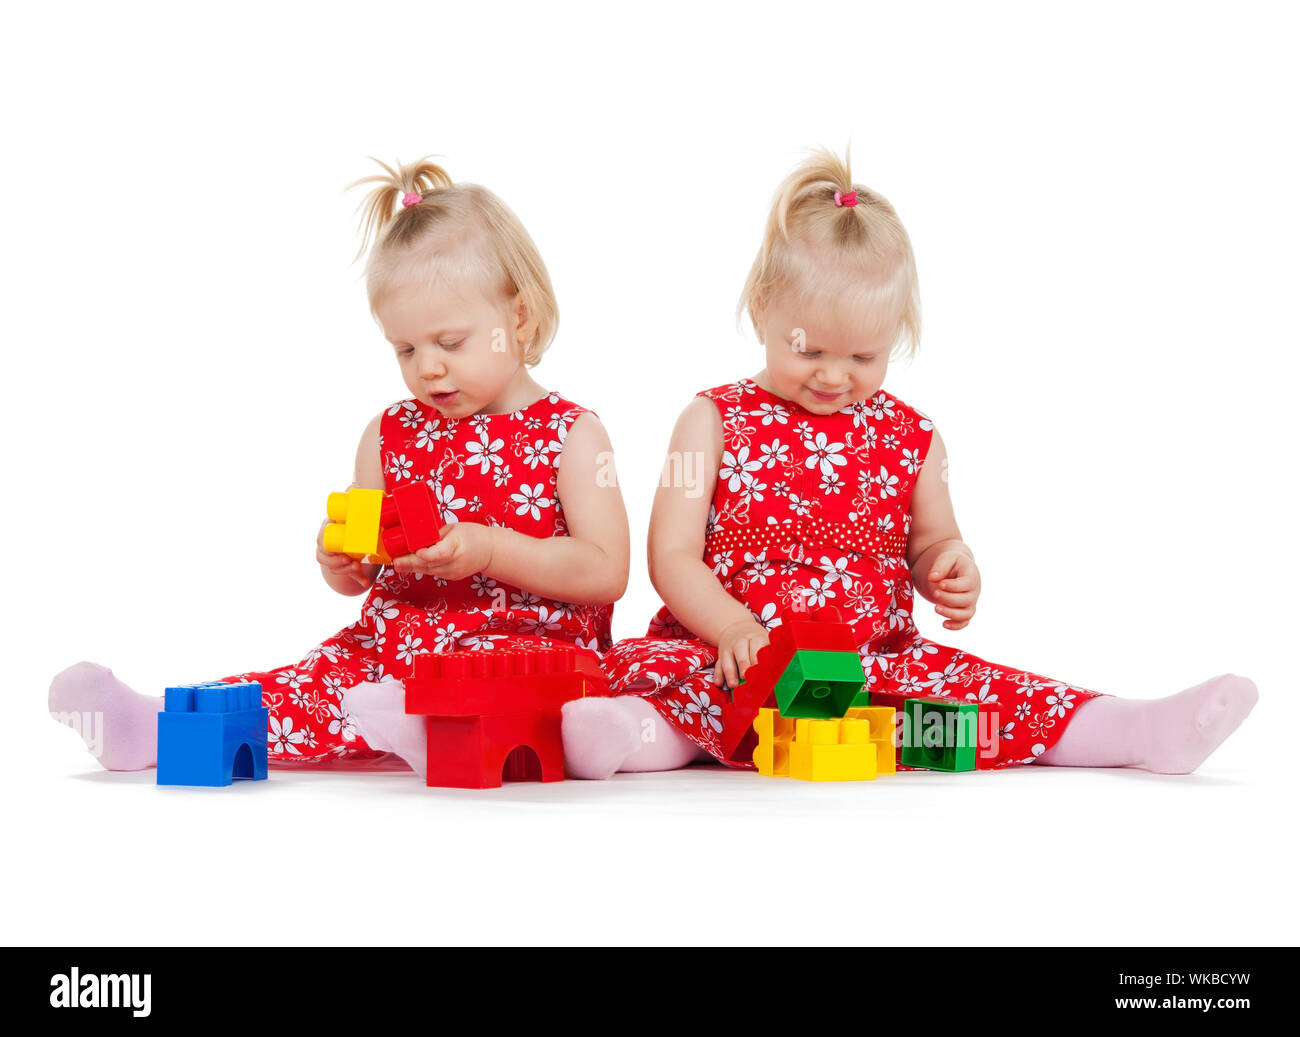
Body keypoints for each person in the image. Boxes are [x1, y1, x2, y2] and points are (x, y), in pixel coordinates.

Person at [560, 146, 1256, 779]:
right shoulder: (710, 420)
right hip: (732, 655)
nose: (835, 376)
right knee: (675, 687)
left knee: (981, 699)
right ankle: (625, 734)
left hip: (870, 665)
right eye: (810, 351)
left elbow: (932, 543)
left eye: (863, 356)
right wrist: (734, 627)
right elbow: (671, 555)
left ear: (894, 335)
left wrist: (950, 566)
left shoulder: (911, 437)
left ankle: (1135, 729)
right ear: (765, 309)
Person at [51, 156, 630, 775]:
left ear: (518, 318)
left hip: (524, 655)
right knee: (308, 683)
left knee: (486, 692)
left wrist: (491, 551)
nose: (427, 367)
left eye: (450, 343)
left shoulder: (572, 435)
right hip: (393, 651)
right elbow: (363, 567)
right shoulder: (390, 432)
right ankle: (159, 723)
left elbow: (606, 571)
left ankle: (422, 727)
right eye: (405, 349)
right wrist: (341, 561)